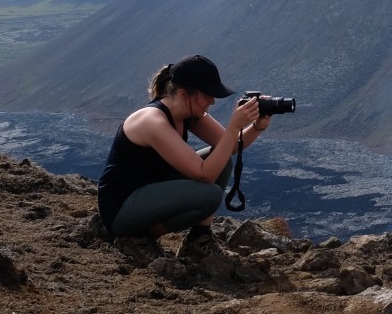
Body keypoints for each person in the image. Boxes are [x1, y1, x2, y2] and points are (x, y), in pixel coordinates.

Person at [96, 54, 271, 243]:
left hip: (151, 193)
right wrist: (234, 126)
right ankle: (143, 236)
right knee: (210, 195)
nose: (212, 101)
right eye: (206, 95)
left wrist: (257, 126)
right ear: (183, 94)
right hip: (122, 210)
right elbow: (205, 174)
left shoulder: (189, 113)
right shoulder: (153, 121)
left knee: (222, 159)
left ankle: (199, 239)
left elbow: (232, 147)